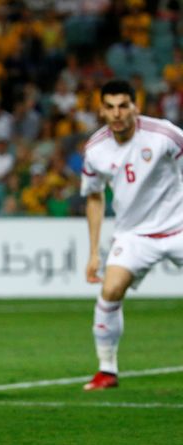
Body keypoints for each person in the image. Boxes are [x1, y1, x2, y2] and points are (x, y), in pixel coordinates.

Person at [81, 79, 183, 390]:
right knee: (110, 291)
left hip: (179, 225)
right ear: (101, 110)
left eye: (123, 105)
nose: (117, 113)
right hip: (133, 234)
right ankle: (107, 370)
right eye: (110, 107)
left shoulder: (165, 134)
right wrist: (94, 251)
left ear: (135, 106)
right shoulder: (95, 149)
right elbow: (95, 197)